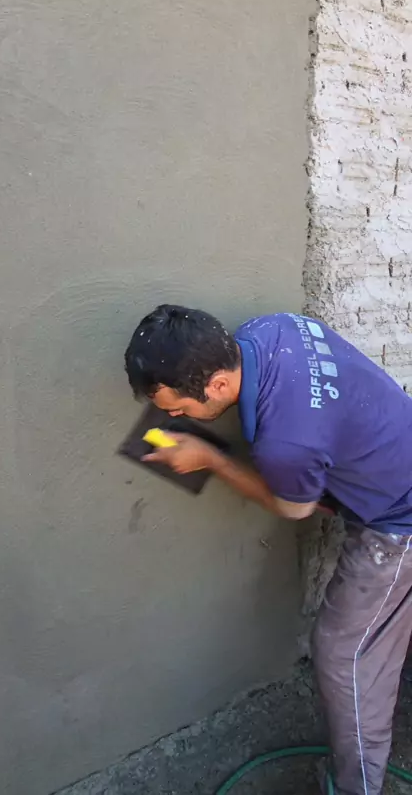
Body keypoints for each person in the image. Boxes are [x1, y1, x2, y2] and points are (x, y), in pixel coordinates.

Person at [124, 304, 412, 795]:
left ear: (217, 384)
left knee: (346, 657)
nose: (172, 416)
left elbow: (294, 508)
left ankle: (356, 787)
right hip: (397, 458)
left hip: (399, 520)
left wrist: (212, 459)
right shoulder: (272, 327)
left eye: (179, 408)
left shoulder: (286, 447)